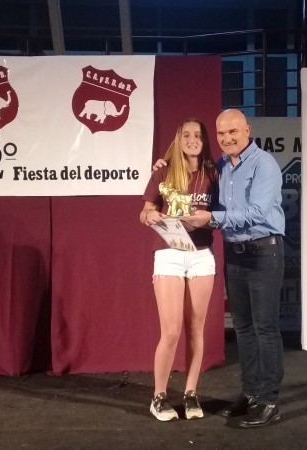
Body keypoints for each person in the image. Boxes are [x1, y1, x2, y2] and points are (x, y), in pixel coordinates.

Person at [175, 109, 286, 428]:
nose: (226, 138)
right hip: (235, 254)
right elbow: (193, 178)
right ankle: (251, 393)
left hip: (264, 251)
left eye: (233, 132)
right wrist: (164, 168)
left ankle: (269, 401)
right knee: (244, 328)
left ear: (247, 130)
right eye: (221, 133)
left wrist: (211, 218)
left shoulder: (264, 164)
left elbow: (256, 212)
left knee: (265, 328)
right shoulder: (221, 166)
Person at [140, 118, 219, 421]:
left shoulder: (213, 173)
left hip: (200, 255)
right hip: (169, 253)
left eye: (197, 135)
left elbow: (221, 211)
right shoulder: (163, 171)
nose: (192, 140)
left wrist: (208, 217)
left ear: (204, 140)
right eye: (186, 135)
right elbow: (145, 211)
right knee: (171, 330)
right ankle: (159, 397)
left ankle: (191, 393)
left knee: (196, 329)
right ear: (178, 139)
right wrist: (150, 216)